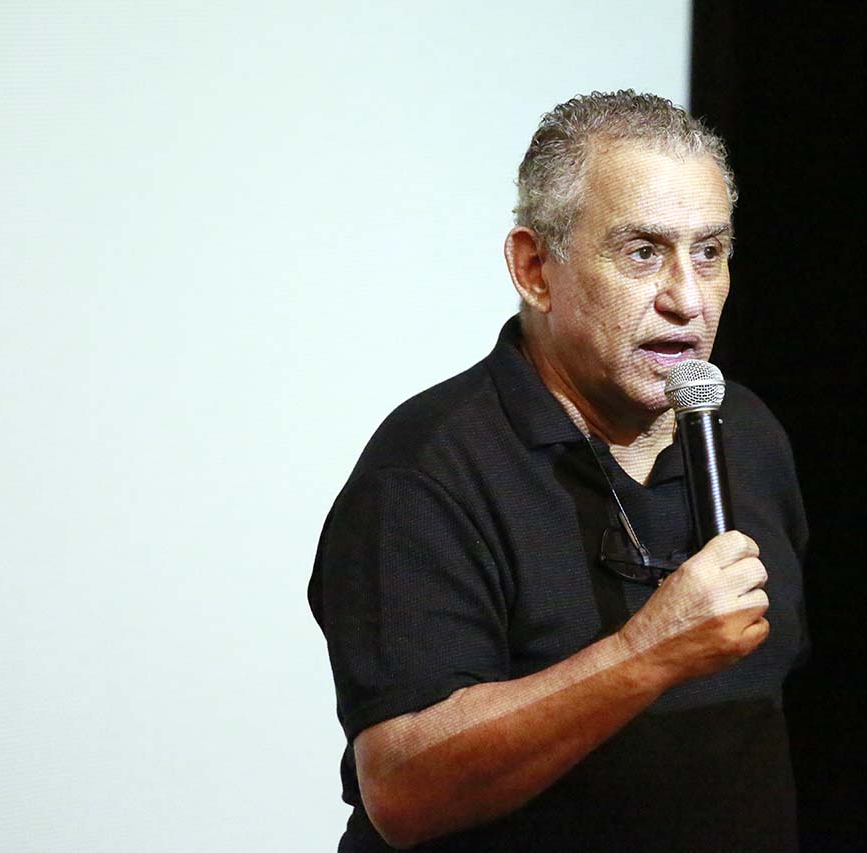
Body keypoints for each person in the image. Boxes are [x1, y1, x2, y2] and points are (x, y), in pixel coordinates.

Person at [309, 90, 809, 852]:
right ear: (535, 268)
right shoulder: (424, 473)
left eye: (709, 252)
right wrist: (647, 653)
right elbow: (403, 789)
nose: (687, 298)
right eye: (643, 252)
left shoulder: (747, 434)